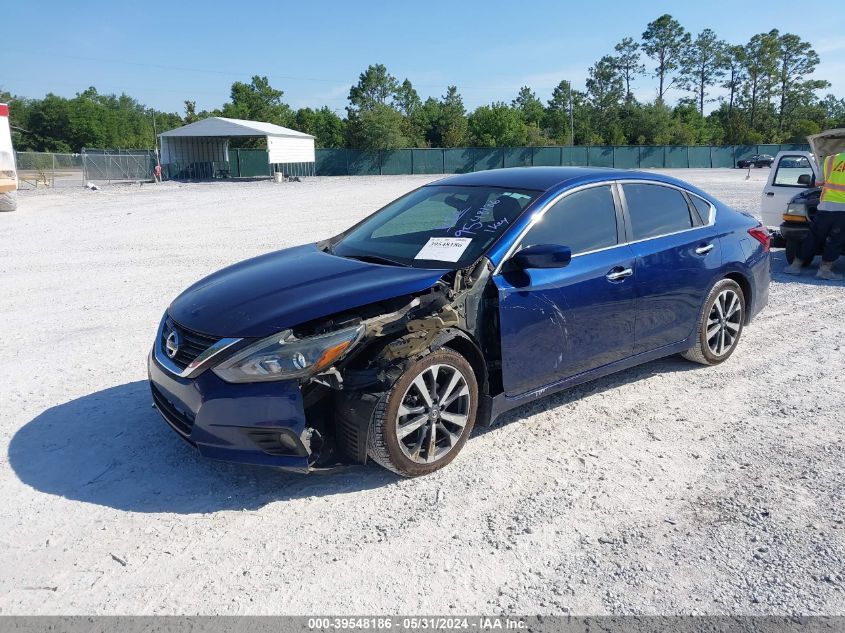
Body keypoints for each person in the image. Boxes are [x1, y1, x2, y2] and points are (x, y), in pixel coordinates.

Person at [784, 151, 845, 280]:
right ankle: (824, 270)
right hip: (843, 209)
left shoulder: (830, 159)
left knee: (813, 236)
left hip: (825, 206)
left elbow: (818, 183)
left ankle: (795, 266)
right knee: (835, 240)